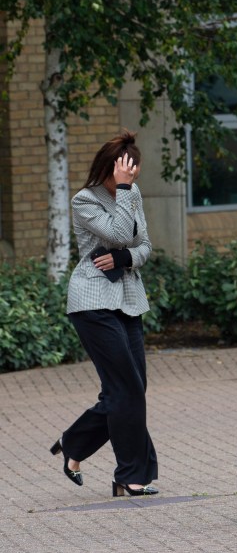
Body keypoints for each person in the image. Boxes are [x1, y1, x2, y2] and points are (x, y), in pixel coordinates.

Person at [52, 130, 159, 497]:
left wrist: (128, 257)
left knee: (130, 388)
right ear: (113, 167)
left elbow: (143, 245)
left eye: (135, 174)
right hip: (92, 301)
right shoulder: (85, 200)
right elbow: (116, 233)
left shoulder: (132, 193)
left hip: (128, 298)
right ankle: (129, 475)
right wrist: (126, 194)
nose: (133, 179)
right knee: (125, 388)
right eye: (128, 172)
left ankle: (74, 445)